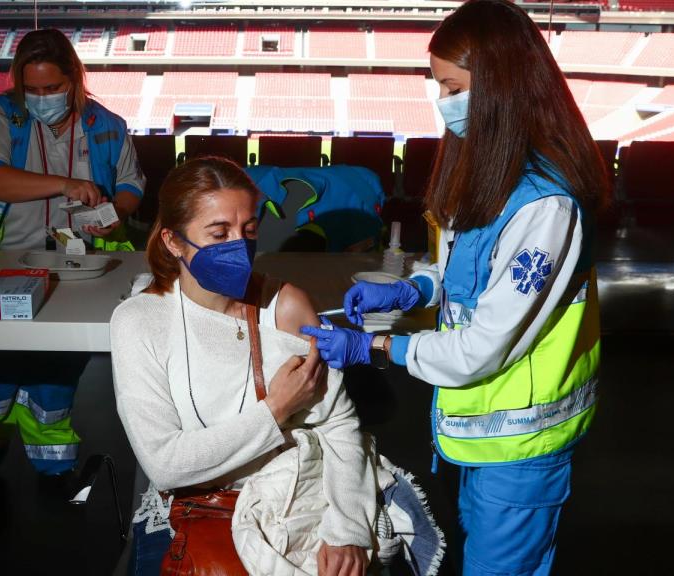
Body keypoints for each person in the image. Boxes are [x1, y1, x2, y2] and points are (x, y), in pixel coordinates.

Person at [301, 1, 608, 574]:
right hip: (478, 433)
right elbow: (470, 270)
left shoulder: (546, 205)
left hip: (523, 442)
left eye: (453, 87)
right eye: (440, 85)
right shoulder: (493, 171)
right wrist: (415, 289)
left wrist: (375, 348)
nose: (444, 102)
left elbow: (480, 346)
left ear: (502, 87)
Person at [111, 157, 374, 576]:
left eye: (248, 230)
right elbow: (164, 464)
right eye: (218, 234)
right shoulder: (140, 321)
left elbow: (339, 427)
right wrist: (276, 410)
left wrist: (347, 531)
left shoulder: (285, 307)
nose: (238, 245)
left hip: (293, 501)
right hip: (198, 509)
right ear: (173, 241)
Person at [0, 28, 145, 478]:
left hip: (81, 264)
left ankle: (50, 446)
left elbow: (130, 187)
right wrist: (64, 185)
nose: (42, 98)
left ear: (75, 80)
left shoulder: (107, 126)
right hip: (8, 255)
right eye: (33, 89)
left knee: (59, 363)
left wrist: (115, 213)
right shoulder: (1, 114)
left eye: (53, 88)